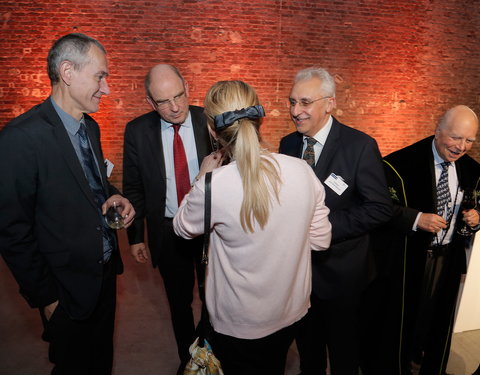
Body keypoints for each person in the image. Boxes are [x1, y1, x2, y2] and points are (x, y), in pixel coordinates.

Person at [173, 80, 332, 374]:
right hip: (291, 311)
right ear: (259, 119)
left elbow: (182, 227)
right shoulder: (302, 171)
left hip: (238, 322)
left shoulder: (214, 185)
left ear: (212, 129)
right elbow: (320, 241)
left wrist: (200, 179)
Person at [0, 33, 135, 375]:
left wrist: (113, 193)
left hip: (104, 275)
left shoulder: (90, 127)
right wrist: (46, 298)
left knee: (100, 362)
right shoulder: (21, 138)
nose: (105, 88)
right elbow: (11, 230)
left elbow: (91, 183)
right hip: (64, 287)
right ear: (67, 72)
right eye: (100, 76)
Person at [279, 67, 393, 375]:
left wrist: (324, 230)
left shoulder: (360, 146)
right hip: (300, 276)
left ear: (329, 103)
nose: (295, 111)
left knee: (344, 356)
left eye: (304, 102)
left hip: (344, 276)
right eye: (292, 102)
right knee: (308, 353)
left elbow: (380, 208)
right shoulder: (288, 145)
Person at [369, 105, 480, 375]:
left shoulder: (472, 170)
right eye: (455, 138)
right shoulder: (399, 164)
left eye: (469, 141)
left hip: (448, 259)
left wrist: (476, 217)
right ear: (437, 130)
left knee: (435, 320)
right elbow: (377, 210)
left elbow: (477, 204)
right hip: (406, 259)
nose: (461, 147)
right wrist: (417, 219)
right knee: (402, 320)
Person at [122, 64, 212, 373]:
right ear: (149, 101)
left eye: (178, 96)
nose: (174, 107)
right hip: (168, 231)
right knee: (179, 303)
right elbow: (133, 188)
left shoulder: (208, 121)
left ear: (187, 87)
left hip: (211, 229)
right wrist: (134, 237)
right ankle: (189, 361)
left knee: (215, 299)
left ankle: (211, 355)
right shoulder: (137, 131)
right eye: (163, 101)